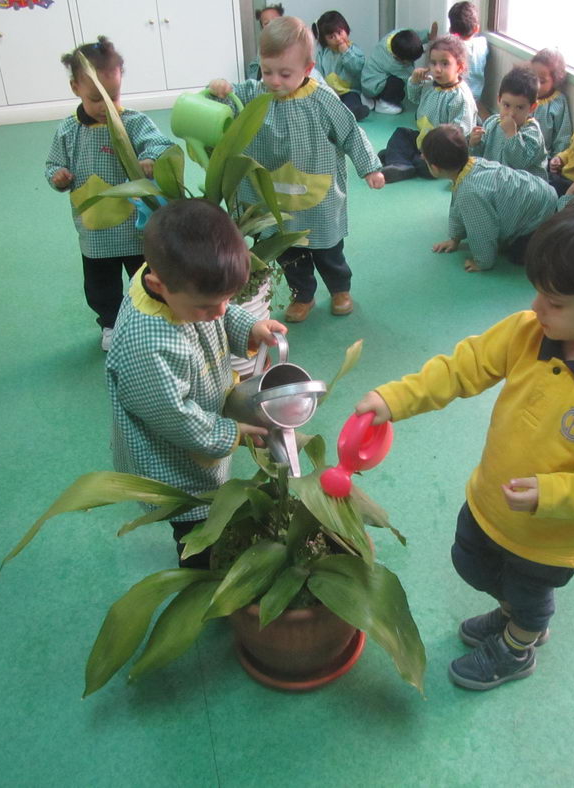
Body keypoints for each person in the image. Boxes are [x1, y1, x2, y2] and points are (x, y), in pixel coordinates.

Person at [354, 192, 574, 690]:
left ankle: (519, 644)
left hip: (548, 538)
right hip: (489, 499)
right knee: (471, 561)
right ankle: (513, 616)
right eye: (537, 292)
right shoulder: (527, 333)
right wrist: (394, 399)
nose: (535, 307)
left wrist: (552, 494)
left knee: (530, 597)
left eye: (554, 302)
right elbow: (461, 369)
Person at [106, 199, 286, 568]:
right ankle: (200, 571)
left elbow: (218, 312)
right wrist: (230, 432)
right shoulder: (148, 343)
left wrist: (248, 327)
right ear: (157, 283)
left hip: (201, 415)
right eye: (207, 307)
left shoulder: (182, 284)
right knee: (194, 522)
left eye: (227, 300)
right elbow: (175, 416)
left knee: (212, 500)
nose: (219, 312)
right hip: (170, 457)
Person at [207, 16, 384, 323]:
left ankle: (340, 288)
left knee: (328, 249)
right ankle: (304, 295)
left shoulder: (322, 99)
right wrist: (218, 88)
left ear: (307, 68)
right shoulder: (254, 94)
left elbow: (350, 132)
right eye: (267, 71)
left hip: (319, 194)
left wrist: (369, 167)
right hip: (273, 198)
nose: (274, 80)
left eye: (285, 73)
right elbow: (225, 100)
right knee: (289, 252)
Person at [45, 37, 174, 351]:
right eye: (95, 99)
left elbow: (160, 145)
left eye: (112, 96)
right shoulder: (67, 130)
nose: (106, 107)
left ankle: (152, 319)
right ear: (75, 88)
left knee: (144, 276)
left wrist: (150, 160)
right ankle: (111, 323)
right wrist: (58, 177)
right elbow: (53, 165)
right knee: (100, 285)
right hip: (94, 229)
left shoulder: (133, 122)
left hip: (135, 226)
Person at [424, 124, 556, 272]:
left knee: (516, 255)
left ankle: (554, 239)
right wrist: (455, 238)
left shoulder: (470, 191)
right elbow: (457, 207)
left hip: (540, 216)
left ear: (434, 168)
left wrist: (482, 262)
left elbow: (482, 230)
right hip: (540, 194)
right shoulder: (471, 164)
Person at [379, 35, 476, 183]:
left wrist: (430, 151)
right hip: (425, 136)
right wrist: (414, 82)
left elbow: (459, 133)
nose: (437, 69)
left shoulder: (460, 96)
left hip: (443, 147)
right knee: (401, 133)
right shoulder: (431, 84)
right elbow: (414, 98)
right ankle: (400, 162)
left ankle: (399, 158)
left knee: (425, 166)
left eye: (445, 64)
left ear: (460, 67)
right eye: (433, 63)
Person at [468, 66, 547, 179]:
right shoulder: (492, 123)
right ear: (499, 100)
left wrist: (512, 134)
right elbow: (479, 159)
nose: (511, 113)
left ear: (532, 107)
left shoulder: (532, 133)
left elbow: (519, 162)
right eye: (506, 105)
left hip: (523, 187)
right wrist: (474, 144)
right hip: (494, 181)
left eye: (519, 107)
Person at [361, 24, 435, 115]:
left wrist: (428, 35)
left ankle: (370, 100)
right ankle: (383, 103)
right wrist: (425, 79)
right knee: (397, 84)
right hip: (373, 87)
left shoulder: (396, 36)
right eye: (408, 61)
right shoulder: (392, 63)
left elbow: (415, 35)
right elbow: (411, 77)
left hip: (367, 81)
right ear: (398, 58)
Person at [312, 10, 370, 121]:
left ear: (346, 30)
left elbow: (356, 69)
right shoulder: (323, 53)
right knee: (323, 103)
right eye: (331, 37)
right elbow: (318, 72)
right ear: (324, 40)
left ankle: (353, 112)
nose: (338, 39)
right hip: (330, 91)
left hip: (349, 90)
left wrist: (346, 52)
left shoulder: (354, 50)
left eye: (340, 33)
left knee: (351, 101)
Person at [529, 49, 572, 161]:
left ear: (555, 79)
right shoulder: (525, 94)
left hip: (544, 157)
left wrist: (557, 158)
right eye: (533, 78)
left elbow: (563, 135)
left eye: (542, 81)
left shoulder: (557, 102)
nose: (536, 85)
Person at [448, 2, 488, 117]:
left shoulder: (452, 47)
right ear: (476, 29)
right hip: (476, 93)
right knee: (477, 111)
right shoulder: (482, 43)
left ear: (451, 29)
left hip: (457, 93)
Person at [247, 4, 284, 80]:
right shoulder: (264, 43)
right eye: (266, 23)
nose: (271, 25)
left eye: (275, 21)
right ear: (262, 28)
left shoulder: (289, 38)